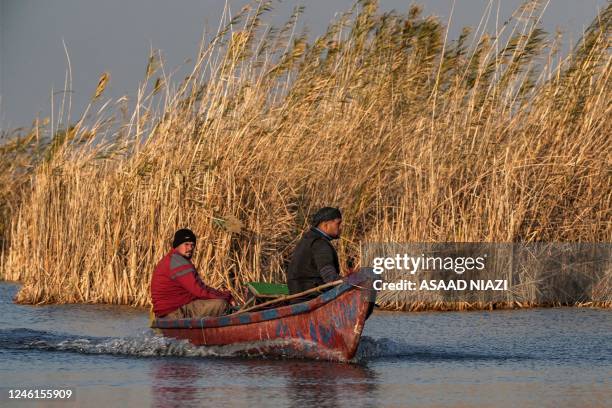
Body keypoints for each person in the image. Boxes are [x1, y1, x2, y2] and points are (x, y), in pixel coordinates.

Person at [151, 228, 233, 318]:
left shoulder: (173, 259)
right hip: (175, 312)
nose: (190, 248)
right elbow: (198, 290)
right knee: (221, 304)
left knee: (218, 301)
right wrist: (225, 297)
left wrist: (221, 294)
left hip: (174, 309)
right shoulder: (178, 262)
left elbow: (200, 288)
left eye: (192, 245)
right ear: (177, 245)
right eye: (186, 244)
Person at [287, 207, 343, 295]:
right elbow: (330, 277)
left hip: (297, 293)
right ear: (325, 225)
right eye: (338, 223)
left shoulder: (307, 238)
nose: (340, 228)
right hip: (310, 296)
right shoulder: (320, 243)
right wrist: (350, 283)